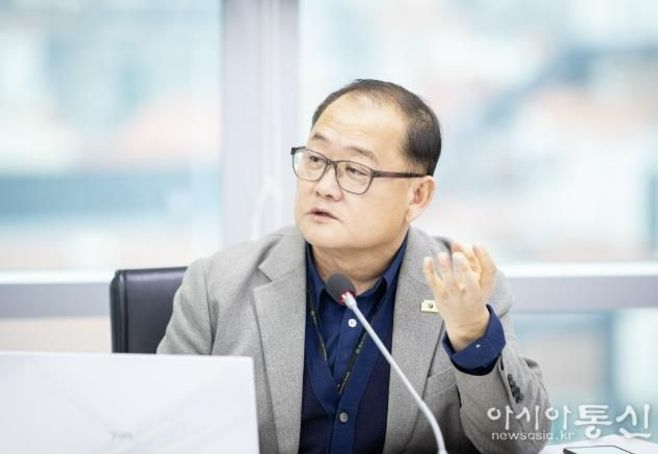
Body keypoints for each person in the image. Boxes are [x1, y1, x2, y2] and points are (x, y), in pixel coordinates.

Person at [158, 79, 551, 453]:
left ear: (417, 196)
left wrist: (471, 335)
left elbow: (518, 442)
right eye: (315, 159)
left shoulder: (463, 289)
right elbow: (161, 434)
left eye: (355, 170)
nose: (324, 186)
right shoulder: (216, 286)